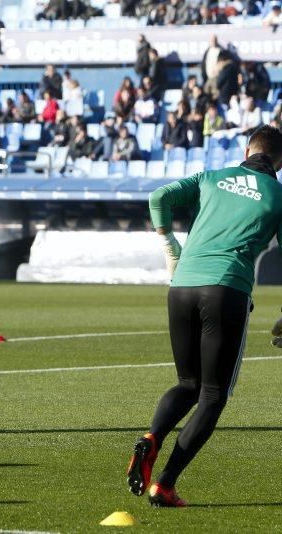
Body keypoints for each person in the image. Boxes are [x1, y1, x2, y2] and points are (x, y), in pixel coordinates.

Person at [127, 125, 282, 507]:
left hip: (181, 286)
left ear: (247, 150)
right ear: (279, 160)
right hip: (226, 288)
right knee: (213, 395)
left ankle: (151, 438)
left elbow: (159, 196)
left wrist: (169, 244)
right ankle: (165, 484)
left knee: (187, 383)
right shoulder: (278, 195)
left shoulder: (212, 177)